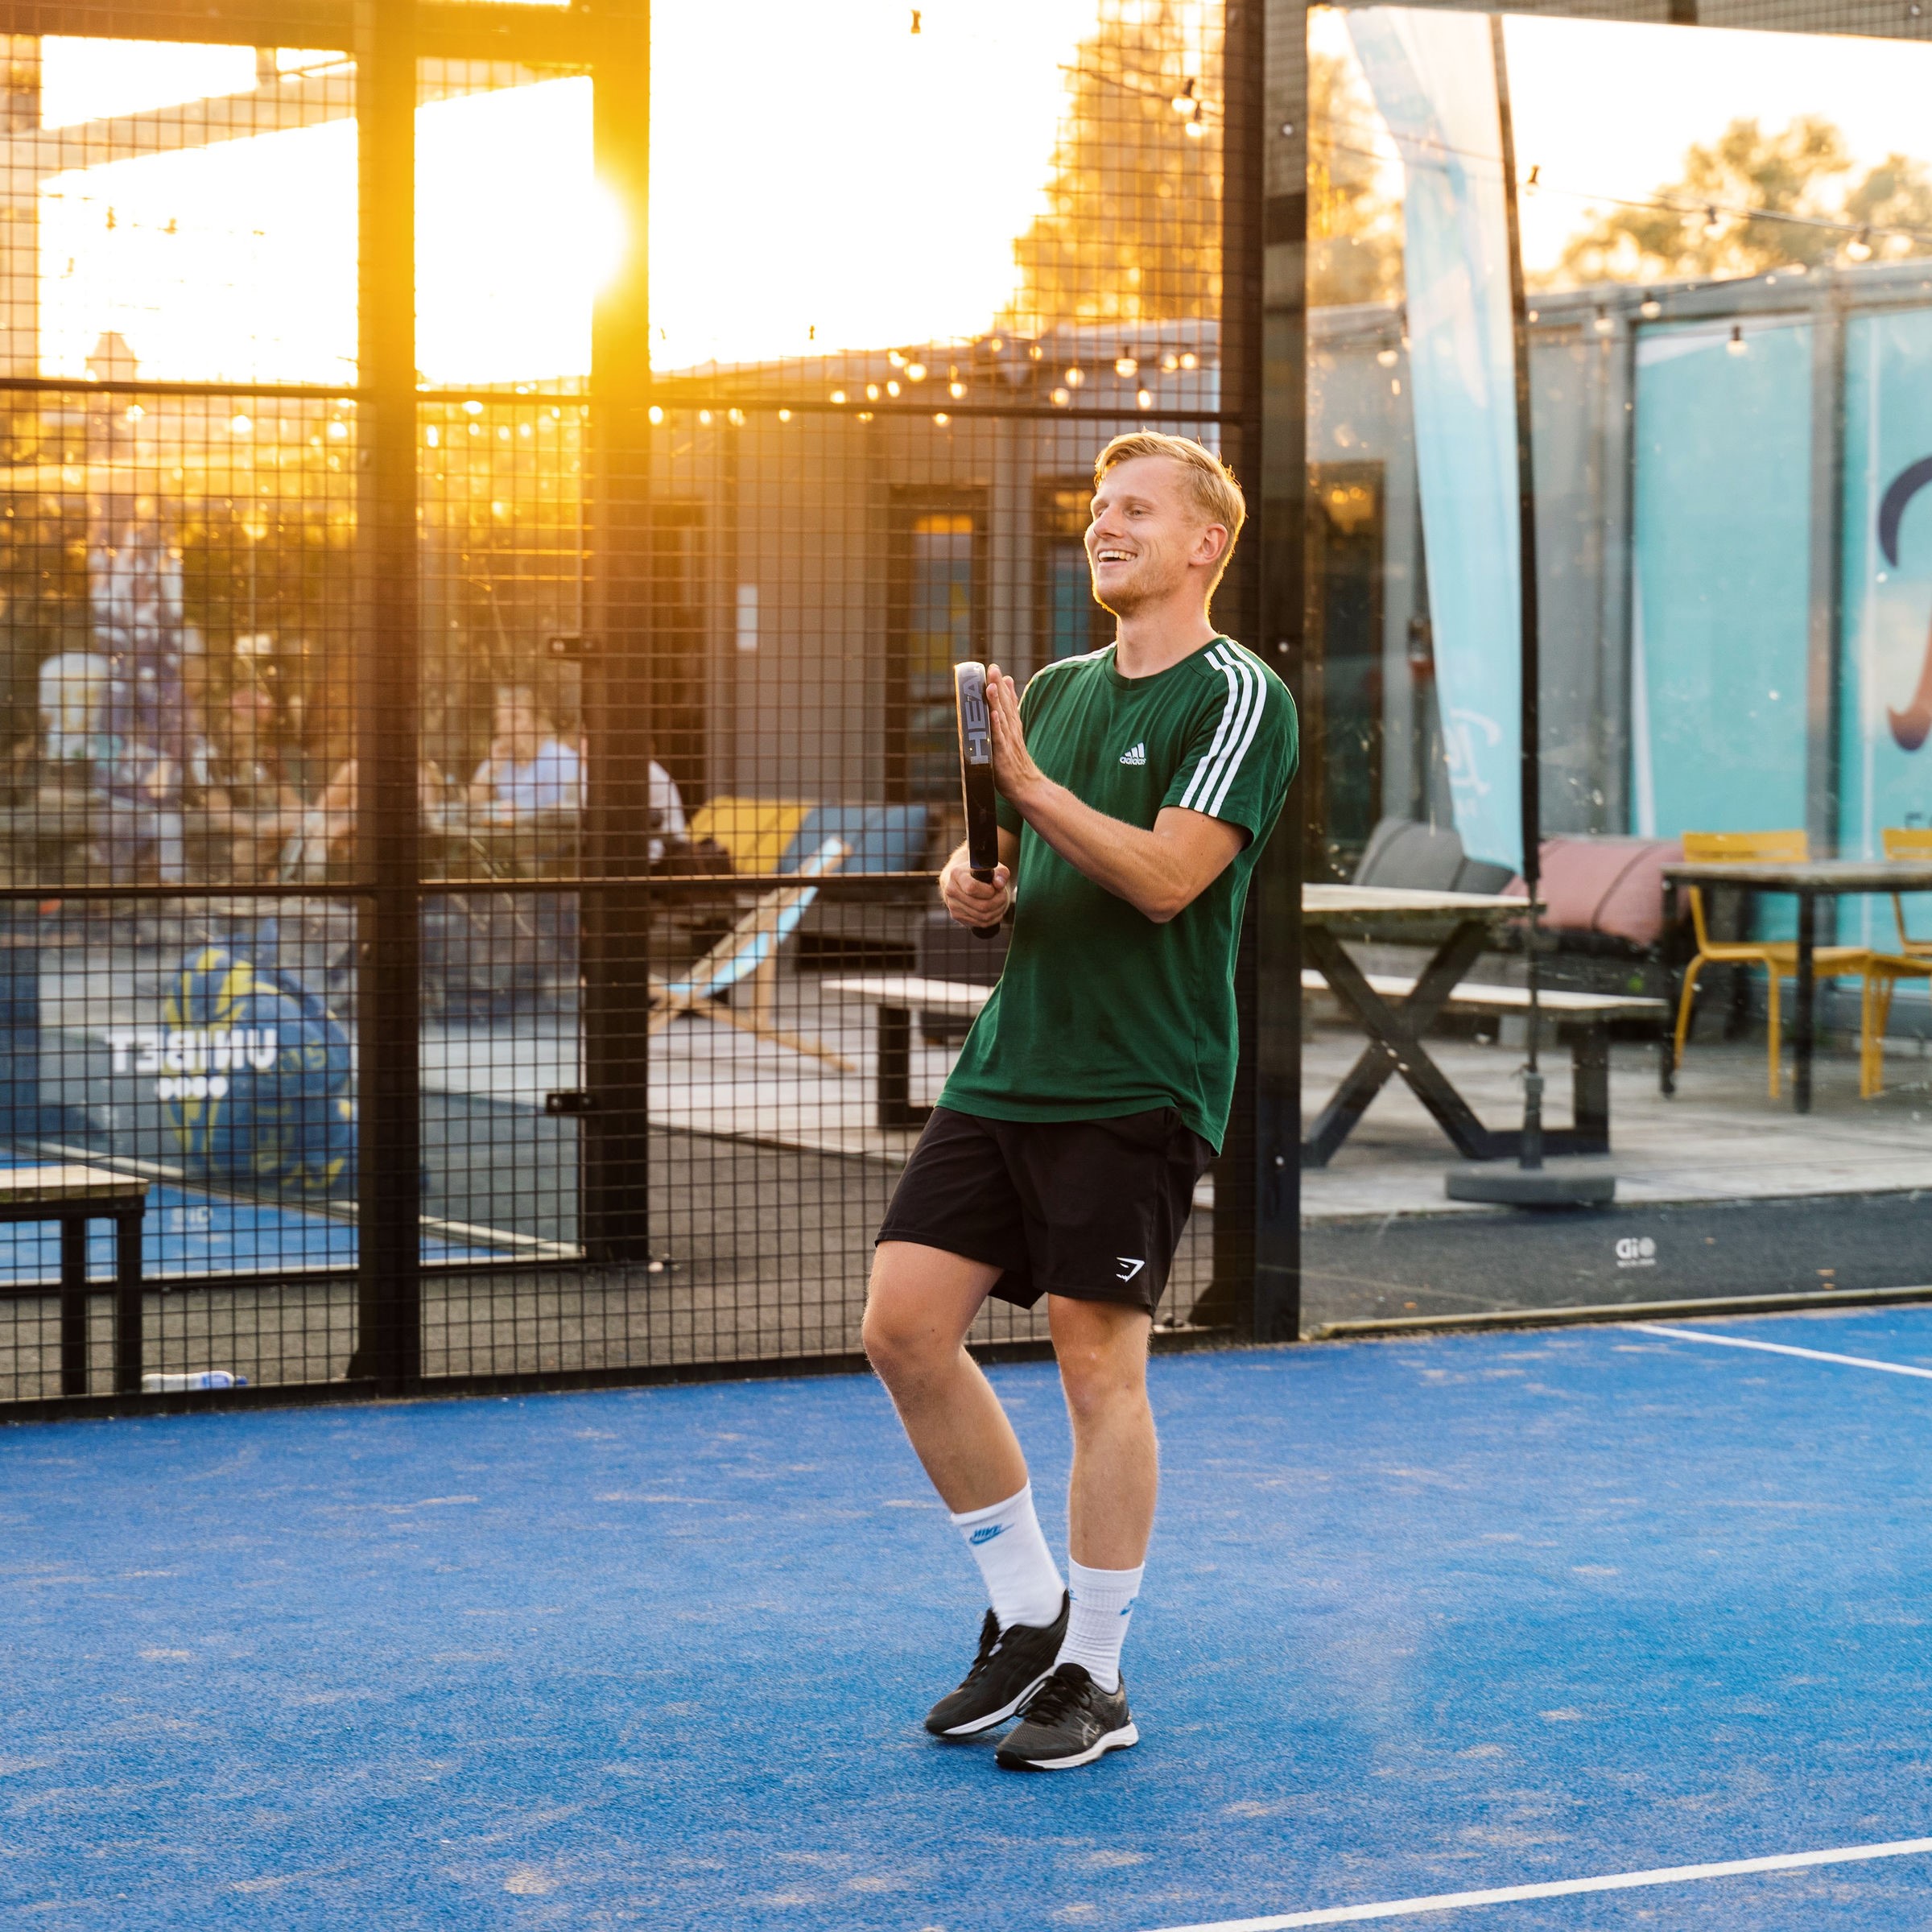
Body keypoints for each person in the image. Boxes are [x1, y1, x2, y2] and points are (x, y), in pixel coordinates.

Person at [862, 431, 1297, 1772]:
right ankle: (1027, 1611)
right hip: (1014, 1062)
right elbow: (1002, 852)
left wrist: (1032, 787)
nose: (1106, 527)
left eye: (1137, 510)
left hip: (1137, 1077)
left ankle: (1097, 1676)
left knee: (1095, 1361)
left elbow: (1169, 876)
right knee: (903, 1328)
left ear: (1203, 543)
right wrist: (968, 883)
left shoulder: (1239, 696)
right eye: (1098, 509)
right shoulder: (1052, 687)